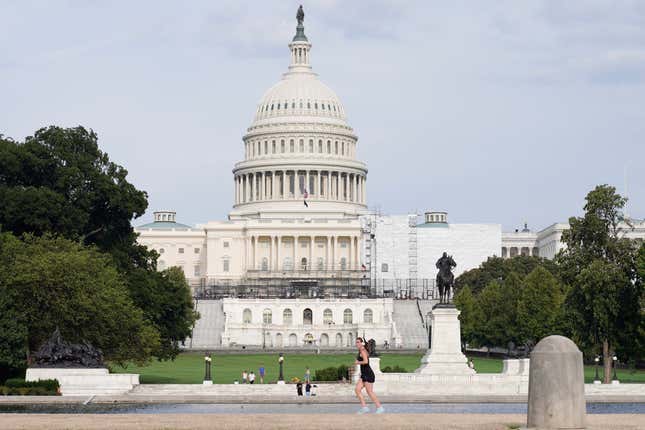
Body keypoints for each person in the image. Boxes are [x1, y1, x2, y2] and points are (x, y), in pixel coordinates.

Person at [354, 337, 384, 414]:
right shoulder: (361, 350)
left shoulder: (363, 350)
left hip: (368, 374)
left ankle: (379, 407)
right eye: (356, 342)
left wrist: (358, 363)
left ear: (361, 343)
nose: (357, 344)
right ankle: (364, 407)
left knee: (370, 392)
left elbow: (366, 361)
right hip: (364, 374)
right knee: (357, 390)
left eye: (358, 342)